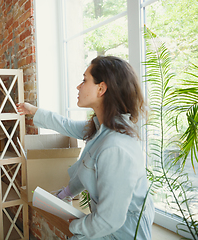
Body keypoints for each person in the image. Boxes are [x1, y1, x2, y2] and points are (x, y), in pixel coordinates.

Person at [17, 56, 155, 240]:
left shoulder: (116, 147)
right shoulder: (102, 129)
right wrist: (33, 110)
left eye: (84, 80)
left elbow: (109, 220)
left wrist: (75, 225)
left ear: (101, 88)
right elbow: (66, 125)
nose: (78, 86)